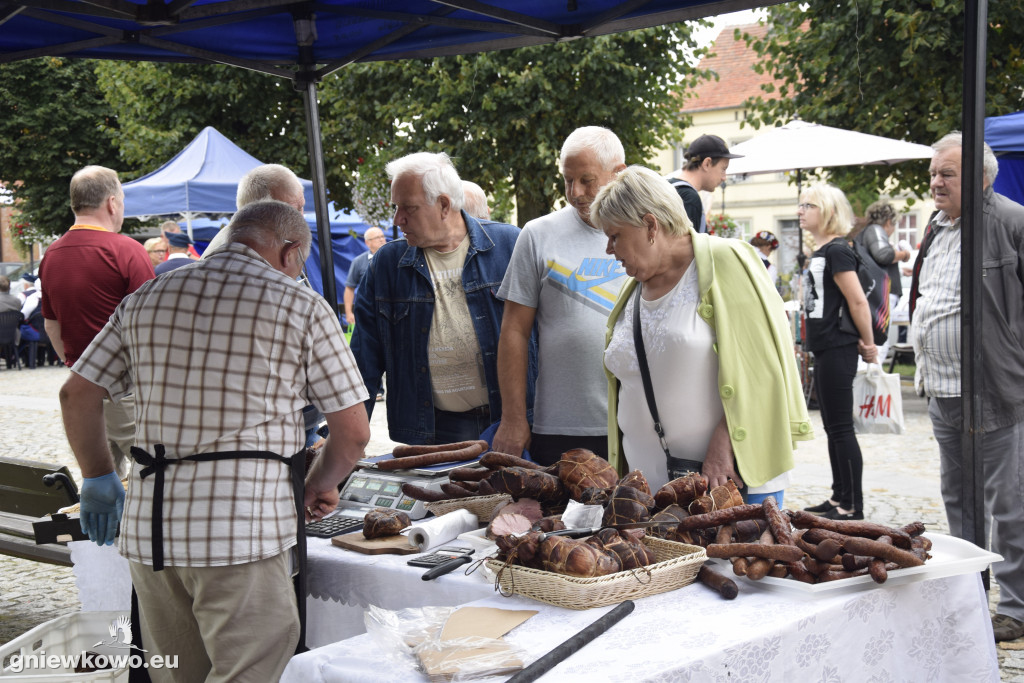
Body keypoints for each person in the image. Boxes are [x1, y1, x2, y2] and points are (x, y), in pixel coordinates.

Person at [59, 200, 371, 681]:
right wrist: (317, 485)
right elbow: (352, 433)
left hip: (150, 531)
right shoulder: (300, 304)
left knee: (177, 674)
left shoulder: (148, 296)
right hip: (241, 530)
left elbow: (76, 394)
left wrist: (99, 474)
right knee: (251, 667)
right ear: (290, 253)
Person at [592, 165, 811, 497]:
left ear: (650, 225)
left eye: (615, 236)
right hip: (652, 491)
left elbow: (763, 368)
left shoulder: (727, 259)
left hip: (725, 482)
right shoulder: (633, 287)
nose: (609, 249)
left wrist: (724, 448)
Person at [909, 132, 1024, 643]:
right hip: (942, 388)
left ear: (980, 179)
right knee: (958, 501)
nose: (936, 181)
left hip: (995, 389)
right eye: (933, 172)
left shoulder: (1010, 222)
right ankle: (968, 595)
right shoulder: (936, 227)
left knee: (1009, 503)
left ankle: (1017, 610)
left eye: (947, 174)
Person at [352, 152, 532, 444]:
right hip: (434, 429)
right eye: (396, 208)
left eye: (408, 208)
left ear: (444, 205)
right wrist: (346, 439)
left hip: (512, 419)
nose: (398, 220)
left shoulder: (510, 245)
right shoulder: (387, 264)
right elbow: (363, 361)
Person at [493, 126, 627, 464]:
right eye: (568, 180)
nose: (576, 191)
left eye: (586, 179)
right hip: (560, 425)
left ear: (619, 174)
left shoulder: (645, 231)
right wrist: (513, 418)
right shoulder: (538, 234)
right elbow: (514, 330)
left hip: (635, 423)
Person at [40, 165, 155, 477]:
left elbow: (52, 325)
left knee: (101, 480)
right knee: (156, 476)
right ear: (111, 203)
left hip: (82, 390)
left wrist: (78, 365)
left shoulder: (51, 254)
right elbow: (151, 324)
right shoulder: (127, 250)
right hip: (130, 387)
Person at [798, 184, 878, 521]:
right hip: (825, 345)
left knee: (842, 427)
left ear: (828, 211)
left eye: (808, 205)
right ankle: (838, 496)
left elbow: (857, 300)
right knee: (832, 425)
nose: (801, 211)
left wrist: (869, 343)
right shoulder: (821, 251)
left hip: (839, 346)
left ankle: (852, 505)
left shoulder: (838, 251)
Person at [201, 164, 306, 258]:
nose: (300, 220)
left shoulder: (271, 243)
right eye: (289, 214)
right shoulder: (241, 256)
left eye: (300, 208)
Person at [851, 200, 912, 361]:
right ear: (888, 221)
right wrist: (904, 254)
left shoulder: (867, 233)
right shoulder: (876, 230)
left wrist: (899, 271)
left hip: (875, 294)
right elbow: (883, 255)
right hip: (881, 296)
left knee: (876, 340)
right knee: (880, 342)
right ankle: (873, 379)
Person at [667, 134, 742, 234]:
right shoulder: (689, 198)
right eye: (723, 169)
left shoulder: (668, 187)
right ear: (707, 163)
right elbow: (686, 247)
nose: (724, 178)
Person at [343, 226, 387, 329]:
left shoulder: (394, 258)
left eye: (382, 236)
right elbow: (349, 288)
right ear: (367, 242)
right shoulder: (358, 261)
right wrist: (349, 313)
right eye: (377, 237)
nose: (381, 239)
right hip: (368, 312)